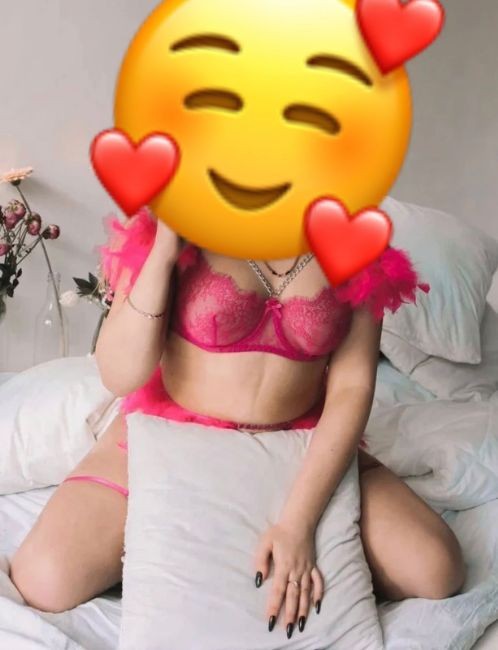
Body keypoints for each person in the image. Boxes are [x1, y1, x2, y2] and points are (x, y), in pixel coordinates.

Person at [9, 208, 466, 638]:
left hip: (297, 445)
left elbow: (352, 388)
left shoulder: (353, 239)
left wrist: (299, 523)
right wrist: (164, 248)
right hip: (171, 438)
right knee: (44, 578)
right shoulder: (173, 219)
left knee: (436, 568)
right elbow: (118, 375)